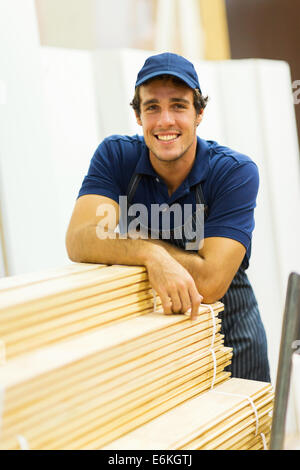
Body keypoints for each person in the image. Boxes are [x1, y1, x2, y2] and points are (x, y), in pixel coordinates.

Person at [66, 52, 270, 382]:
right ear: (137, 115)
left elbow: (210, 282)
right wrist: (151, 254)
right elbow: (80, 239)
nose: (165, 121)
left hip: (230, 336)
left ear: (199, 112)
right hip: (157, 340)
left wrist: (131, 248)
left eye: (178, 105)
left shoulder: (233, 172)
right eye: (152, 107)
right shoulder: (116, 157)